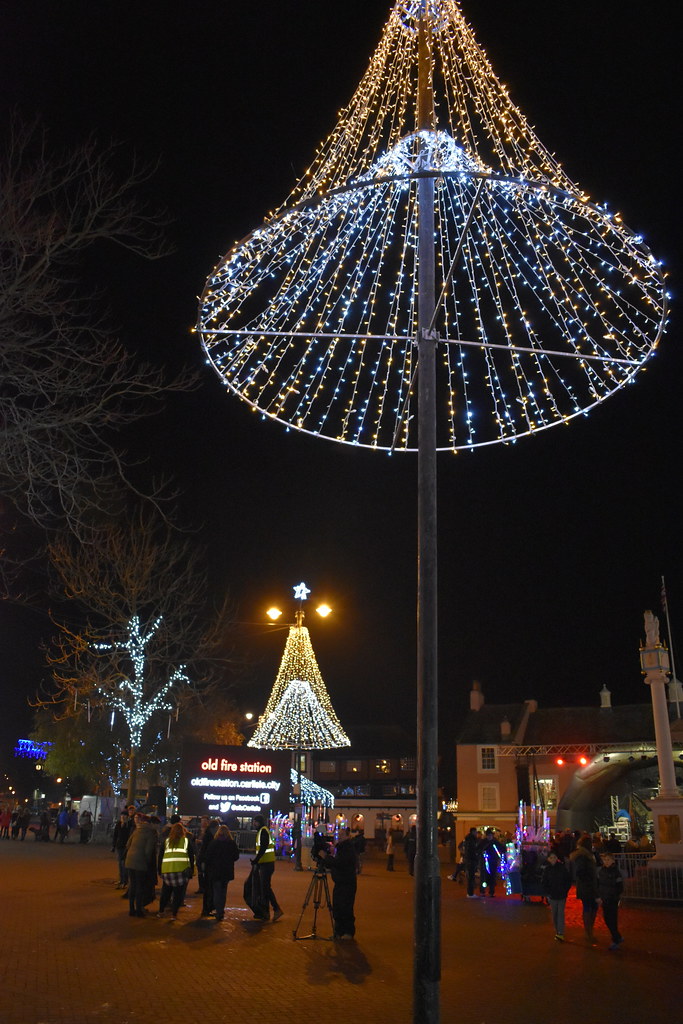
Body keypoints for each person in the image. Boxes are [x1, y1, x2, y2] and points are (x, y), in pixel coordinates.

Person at [323, 830, 358, 939]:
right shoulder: (341, 848)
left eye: (342, 835)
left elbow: (340, 863)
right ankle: (339, 931)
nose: (339, 837)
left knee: (345, 907)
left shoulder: (347, 848)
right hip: (341, 882)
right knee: (338, 907)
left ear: (348, 836)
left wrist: (327, 857)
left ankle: (347, 931)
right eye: (339, 835)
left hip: (346, 882)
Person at [157, 822, 195, 920]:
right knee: (178, 894)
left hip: (167, 870)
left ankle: (161, 911)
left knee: (165, 892)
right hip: (181, 871)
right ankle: (174, 914)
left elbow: (160, 856)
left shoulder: (166, 841)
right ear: (183, 831)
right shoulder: (186, 841)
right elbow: (191, 856)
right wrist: (191, 870)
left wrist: (159, 870)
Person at [203, 824, 240, 921]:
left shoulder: (214, 843)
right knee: (223, 892)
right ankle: (221, 911)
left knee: (216, 892)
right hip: (226, 871)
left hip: (215, 871)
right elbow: (236, 856)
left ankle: (218, 911)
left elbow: (207, 856)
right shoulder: (231, 843)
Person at [124, 813, 157, 918]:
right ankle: (138, 910)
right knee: (139, 886)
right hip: (140, 862)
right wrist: (147, 862)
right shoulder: (151, 833)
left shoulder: (137, 830)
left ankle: (131, 909)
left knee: (132, 885)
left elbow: (128, 844)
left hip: (130, 860)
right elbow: (148, 851)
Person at [251, 814, 283, 922]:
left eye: (255, 821)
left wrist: (256, 859)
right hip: (266, 863)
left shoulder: (263, 831)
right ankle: (266, 912)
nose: (254, 823)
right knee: (264, 888)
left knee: (265, 888)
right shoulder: (263, 831)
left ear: (259, 822)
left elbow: (263, 847)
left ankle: (275, 909)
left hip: (266, 863)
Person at [570, 835, 599, 941]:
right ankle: (589, 931)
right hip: (587, 885)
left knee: (591, 907)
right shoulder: (583, 856)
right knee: (589, 907)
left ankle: (589, 930)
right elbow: (581, 872)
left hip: (587, 885)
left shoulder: (586, 855)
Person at [541, 850, 571, 941]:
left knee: (560, 913)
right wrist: (548, 892)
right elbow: (544, 882)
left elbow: (567, 880)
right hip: (552, 895)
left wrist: (565, 890)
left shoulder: (562, 868)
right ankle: (557, 930)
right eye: (551, 858)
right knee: (554, 914)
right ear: (548, 859)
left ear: (557, 858)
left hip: (561, 894)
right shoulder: (547, 869)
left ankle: (560, 932)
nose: (553, 859)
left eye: (554, 857)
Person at [597, 851, 624, 950]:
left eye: (608, 860)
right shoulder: (601, 871)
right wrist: (599, 896)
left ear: (613, 860)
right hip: (604, 898)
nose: (606, 862)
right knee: (607, 919)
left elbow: (620, 887)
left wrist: (615, 895)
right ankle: (617, 936)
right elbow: (598, 884)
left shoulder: (615, 872)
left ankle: (615, 939)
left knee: (612, 920)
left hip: (612, 899)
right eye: (604, 860)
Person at [479, 829, 504, 897]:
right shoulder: (483, 842)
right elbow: (479, 849)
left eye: (490, 835)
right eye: (488, 835)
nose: (489, 837)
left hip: (493, 861)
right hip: (484, 862)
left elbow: (502, 848)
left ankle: (491, 892)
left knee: (492, 877)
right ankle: (482, 891)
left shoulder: (495, 842)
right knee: (484, 877)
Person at [112, 811, 130, 888]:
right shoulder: (118, 824)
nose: (123, 817)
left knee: (124, 864)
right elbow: (115, 835)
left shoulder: (129, 825)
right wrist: (113, 845)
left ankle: (125, 881)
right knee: (120, 864)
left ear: (127, 817)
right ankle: (121, 879)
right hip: (119, 846)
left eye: (124, 815)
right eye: (122, 815)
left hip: (126, 846)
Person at [463, 828, 481, 897]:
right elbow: (472, 851)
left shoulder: (468, 839)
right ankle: (470, 893)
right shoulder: (471, 840)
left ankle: (470, 892)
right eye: (476, 832)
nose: (476, 833)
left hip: (469, 860)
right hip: (471, 860)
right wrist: (476, 856)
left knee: (471, 877)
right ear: (473, 832)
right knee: (471, 877)